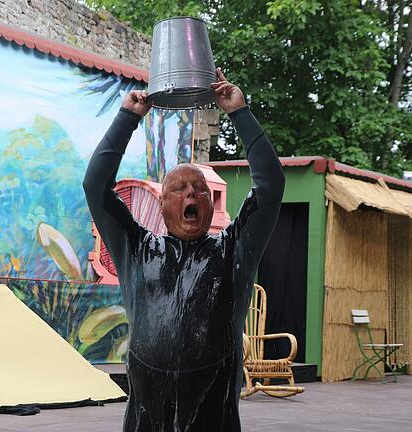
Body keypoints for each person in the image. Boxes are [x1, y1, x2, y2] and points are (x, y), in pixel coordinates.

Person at [83, 68, 284, 432]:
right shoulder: (138, 251)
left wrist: (239, 113)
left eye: (199, 189)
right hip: (146, 419)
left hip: (214, 416)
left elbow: (270, 187)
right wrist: (128, 118)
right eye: (179, 188)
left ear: (209, 205)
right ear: (161, 205)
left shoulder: (234, 252)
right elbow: (96, 187)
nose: (191, 193)